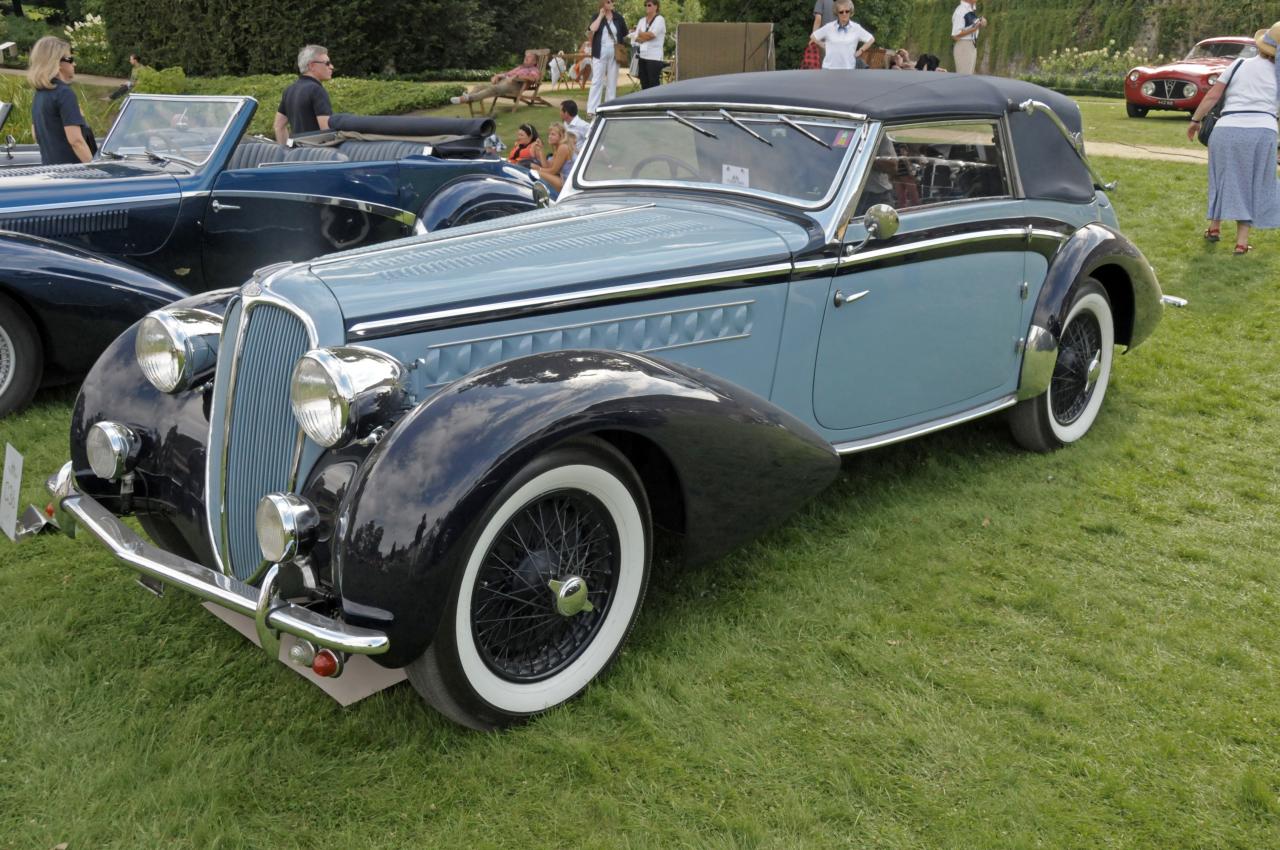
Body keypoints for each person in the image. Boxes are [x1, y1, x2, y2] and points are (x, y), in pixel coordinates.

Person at [1188, 22, 1280, 254]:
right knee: (1253, 183)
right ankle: (1241, 241)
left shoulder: (1239, 64)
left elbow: (1213, 95)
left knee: (1221, 177)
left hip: (1226, 128)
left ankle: (1214, 228)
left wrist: (1195, 120)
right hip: (1263, 131)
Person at [27, 36, 93, 164]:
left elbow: (36, 134)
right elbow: (76, 141)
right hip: (72, 174)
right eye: (70, 59)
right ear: (57, 62)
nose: (74, 64)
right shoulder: (64, 93)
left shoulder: (39, 94)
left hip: (50, 172)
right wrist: (97, 170)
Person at [274, 44, 334, 144]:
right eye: (327, 63)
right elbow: (326, 132)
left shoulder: (289, 90)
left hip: (299, 155)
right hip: (318, 155)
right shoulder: (317, 90)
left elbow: (278, 126)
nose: (331, 67)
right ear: (312, 66)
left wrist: (285, 152)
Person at [451, 50, 542, 106]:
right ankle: (467, 98)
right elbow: (507, 73)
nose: (525, 58)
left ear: (534, 62)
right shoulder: (520, 67)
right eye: (525, 57)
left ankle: (468, 98)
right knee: (480, 86)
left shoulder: (534, 69)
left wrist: (517, 76)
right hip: (503, 83)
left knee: (493, 89)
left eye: (529, 57)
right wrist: (497, 76)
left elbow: (533, 78)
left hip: (515, 86)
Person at [587, 0, 627, 116]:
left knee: (612, 80)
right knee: (597, 80)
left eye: (612, 1)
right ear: (603, 3)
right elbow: (592, 29)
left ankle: (609, 107)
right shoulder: (597, 16)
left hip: (614, 51)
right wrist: (600, 15)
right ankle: (592, 109)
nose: (611, 3)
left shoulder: (618, 17)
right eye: (608, 1)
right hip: (600, 51)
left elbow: (624, 33)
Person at [810, 0, 874, 70]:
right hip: (829, 68)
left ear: (850, 12)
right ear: (837, 13)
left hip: (848, 68)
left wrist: (860, 50)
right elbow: (813, 36)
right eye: (841, 12)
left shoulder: (856, 28)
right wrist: (821, 44)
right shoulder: (829, 27)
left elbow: (871, 39)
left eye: (847, 11)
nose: (844, 14)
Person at [534, 121, 577, 195]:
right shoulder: (558, 148)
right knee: (535, 172)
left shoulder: (563, 147)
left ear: (561, 136)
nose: (549, 136)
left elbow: (553, 171)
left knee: (535, 173)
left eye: (553, 134)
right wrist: (541, 149)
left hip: (569, 184)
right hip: (565, 180)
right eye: (549, 134)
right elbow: (547, 166)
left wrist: (538, 169)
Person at [632, 0, 666, 90]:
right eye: (645, 5)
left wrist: (641, 34)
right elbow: (636, 37)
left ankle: (655, 103)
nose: (647, 7)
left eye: (649, 5)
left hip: (654, 57)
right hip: (642, 56)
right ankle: (645, 103)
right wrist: (643, 35)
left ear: (656, 6)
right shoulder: (642, 20)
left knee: (653, 84)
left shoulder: (660, 19)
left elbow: (652, 35)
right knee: (644, 83)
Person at [951, 1, 986, 75]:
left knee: (968, 78)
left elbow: (969, 25)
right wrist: (974, 29)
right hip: (964, 46)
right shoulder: (961, 11)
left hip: (971, 45)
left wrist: (982, 22)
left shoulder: (969, 9)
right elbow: (955, 35)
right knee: (964, 79)